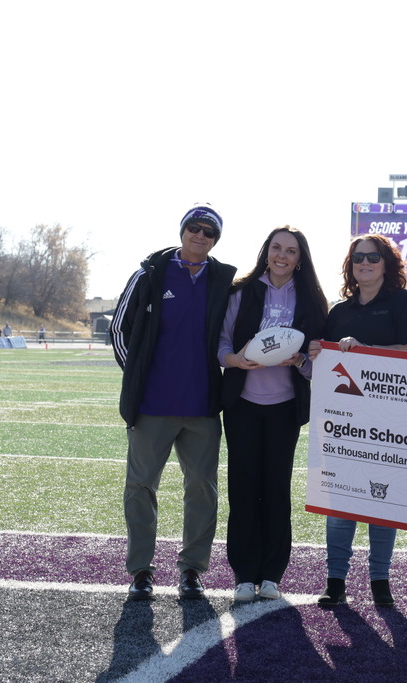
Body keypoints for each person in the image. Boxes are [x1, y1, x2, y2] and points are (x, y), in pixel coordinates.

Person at [110, 203, 237, 601]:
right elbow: (119, 329)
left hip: (202, 405)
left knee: (202, 488)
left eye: (209, 232)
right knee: (140, 487)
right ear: (182, 230)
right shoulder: (150, 274)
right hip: (152, 406)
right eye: (194, 228)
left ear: (216, 239)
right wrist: (139, 379)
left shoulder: (225, 280)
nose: (200, 236)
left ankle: (192, 570)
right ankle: (141, 570)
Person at [306, 234, 407, 607]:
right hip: (344, 420)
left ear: (387, 264)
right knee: (340, 499)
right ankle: (336, 581)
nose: (365, 262)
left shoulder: (402, 302)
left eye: (373, 257)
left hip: (388, 420)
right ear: (350, 265)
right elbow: (323, 368)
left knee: (380, 500)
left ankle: (380, 581)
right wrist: (310, 355)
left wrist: (366, 352)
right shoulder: (339, 312)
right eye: (358, 258)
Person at [218, 226, 328, 602]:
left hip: (284, 408)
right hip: (242, 406)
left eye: (291, 251)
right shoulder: (243, 291)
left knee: (276, 489)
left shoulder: (312, 300)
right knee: (244, 487)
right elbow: (222, 342)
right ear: (267, 252)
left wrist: (300, 358)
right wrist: (234, 360)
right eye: (277, 248)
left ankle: (272, 575)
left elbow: (317, 364)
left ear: (300, 258)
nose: (282, 255)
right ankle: (244, 575)